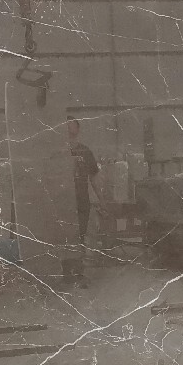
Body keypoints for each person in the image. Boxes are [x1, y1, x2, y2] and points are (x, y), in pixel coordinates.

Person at [63, 119, 102, 285]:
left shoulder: (85, 152)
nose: (69, 127)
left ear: (78, 129)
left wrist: (101, 198)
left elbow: (94, 176)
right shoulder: (58, 152)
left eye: (72, 124)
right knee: (66, 236)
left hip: (81, 200)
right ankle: (66, 272)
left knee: (80, 236)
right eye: (66, 124)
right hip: (63, 200)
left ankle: (78, 272)